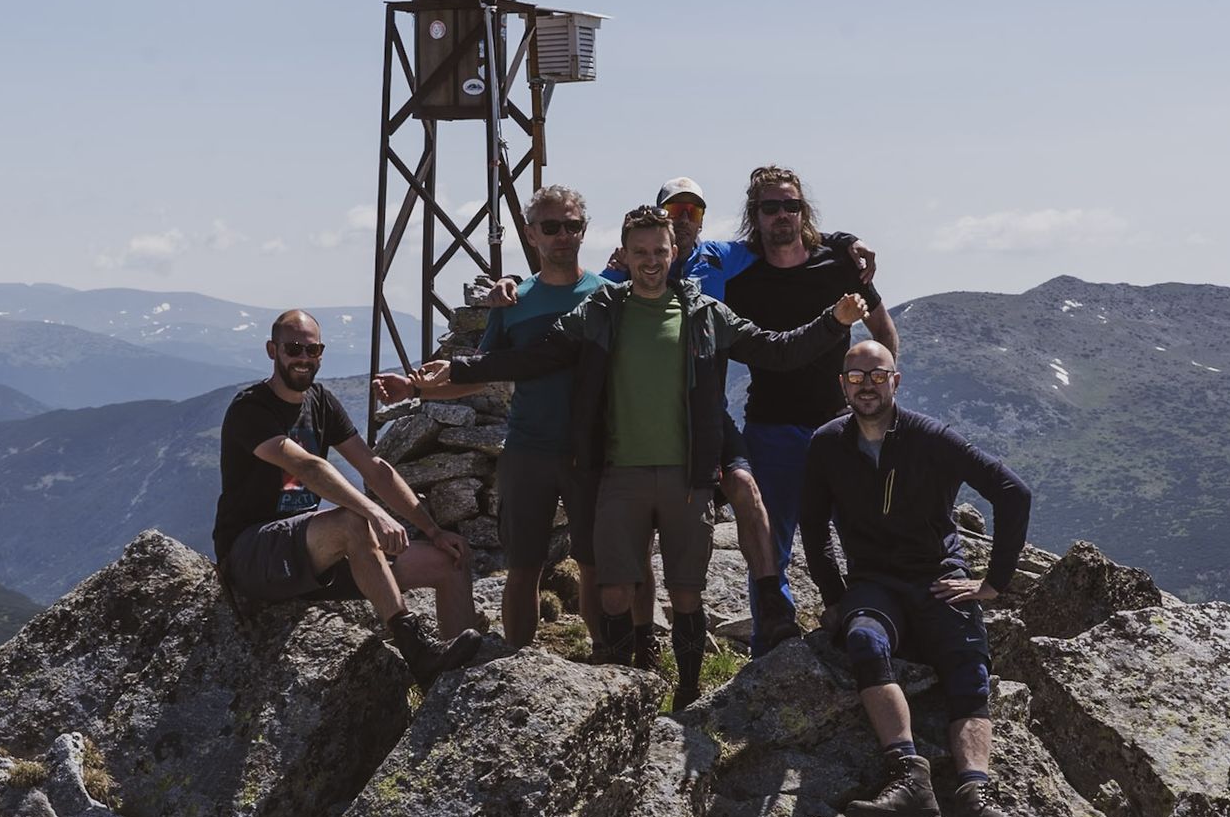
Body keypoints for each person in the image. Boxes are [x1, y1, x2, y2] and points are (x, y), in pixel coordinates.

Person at [420, 205, 867, 708]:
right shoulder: (602, 312)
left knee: (686, 596)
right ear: (625, 255)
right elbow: (535, 356)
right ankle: (621, 692)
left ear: (674, 253)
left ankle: (688, 694)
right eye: (640, 252)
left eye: (660, 251)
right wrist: (457, 368)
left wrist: (834, 321)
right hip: (619, 474)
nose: (650, 261)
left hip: (687, 477)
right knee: (614, 592)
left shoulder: (704, 315)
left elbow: (779, 349)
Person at [797, 340, 1054, 817]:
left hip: (937, 577)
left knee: (968, 670)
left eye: (876, 373)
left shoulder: (930, 438)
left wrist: (993, 583)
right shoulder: (827, 443)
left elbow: (1012, 491)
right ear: (842, 384)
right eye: (854, 376)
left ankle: (975, 800)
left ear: (896, 380)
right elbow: (813, 525)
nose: (865, 383)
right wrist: (834, 596)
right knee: (865, 643)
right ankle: (910, 781)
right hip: (873, 583)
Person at [373, 185, 606, 650]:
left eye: (572, 226)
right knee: (523, 567)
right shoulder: (515, 302)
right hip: (527, 451)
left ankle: (607, 658)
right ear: (531, 233)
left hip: (591, 452)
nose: (563, 236)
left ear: (585, 230)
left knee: (595, 564)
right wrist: (416, 387)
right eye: (551, 226)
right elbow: (482, 373)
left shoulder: (607, 296)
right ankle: (517, 661)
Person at [213, 309, 481, 687]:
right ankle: (417, 652)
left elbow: (375, 467)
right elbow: (305, 465)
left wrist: (432, 530)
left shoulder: (320, 401)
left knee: (448, 560)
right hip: (252, 553)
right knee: (352, 521)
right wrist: (373, 512)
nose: (304, 358)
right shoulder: (250, 409)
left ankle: (458, 684)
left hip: (312, 552)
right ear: (273, 350)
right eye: (294, 349)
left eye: (313, 349)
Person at [722, 167, 897, 635]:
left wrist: (878, 403)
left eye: (791, 205)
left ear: (804, 210)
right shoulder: (743, 279)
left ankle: (870, 630)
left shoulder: (839, 265)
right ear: (754, 215)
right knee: (768, 549)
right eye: (771, 207)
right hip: (771, 429)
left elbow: (882, 332)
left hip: (839, 428)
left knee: (860, 538)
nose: (782, 215)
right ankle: (772, 645)